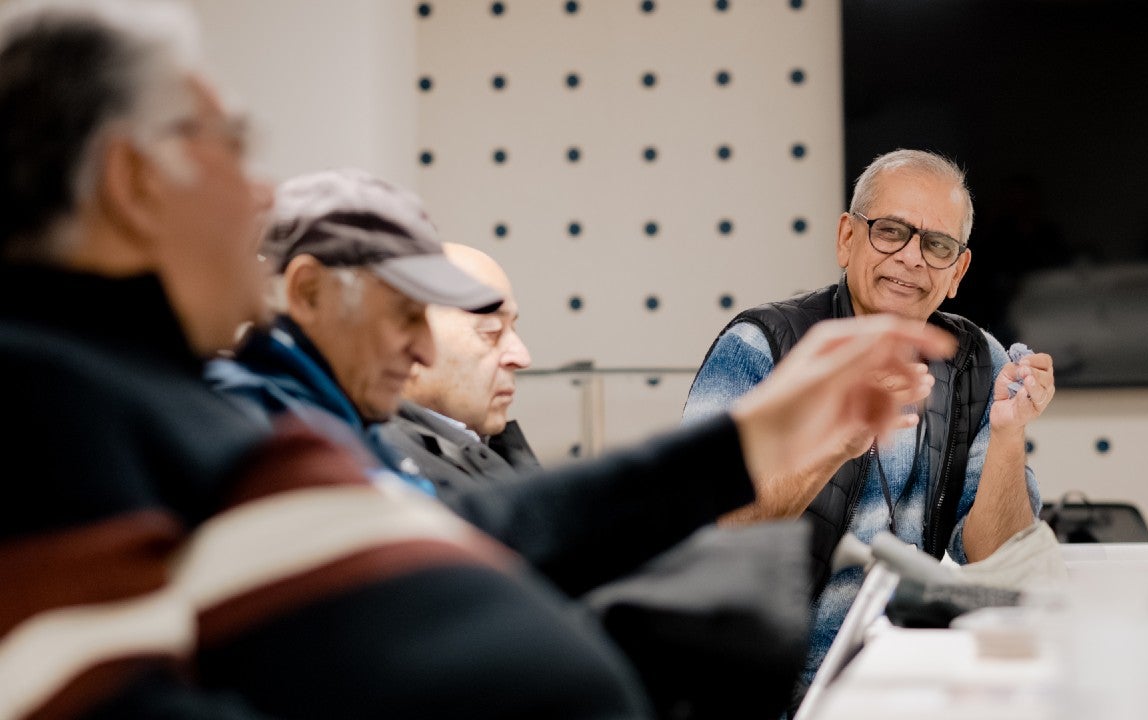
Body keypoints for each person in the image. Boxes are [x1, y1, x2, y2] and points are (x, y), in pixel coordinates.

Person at [0, 2, 956, 716]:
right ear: (132, 182)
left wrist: (754, 438)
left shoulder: (149, 400)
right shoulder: (47, 401)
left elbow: (474, 531)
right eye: (231, 148)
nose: (258, 194)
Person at [684, 148, 1056, 690]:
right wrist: (837, 441)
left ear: (957, 270)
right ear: (846, 238)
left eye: (937, 245)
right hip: (760, 684)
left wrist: (1008, 433)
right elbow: (700, 529)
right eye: (890, 231)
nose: (911, 258)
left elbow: (996, 560)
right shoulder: (762, 347)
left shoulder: (980, 363)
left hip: (905, 678)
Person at [382, 242, 539, 503]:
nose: (522, 357)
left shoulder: (474, 447)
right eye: (491, 331)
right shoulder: (389, 474)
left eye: (514, 330)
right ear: (405, 342)